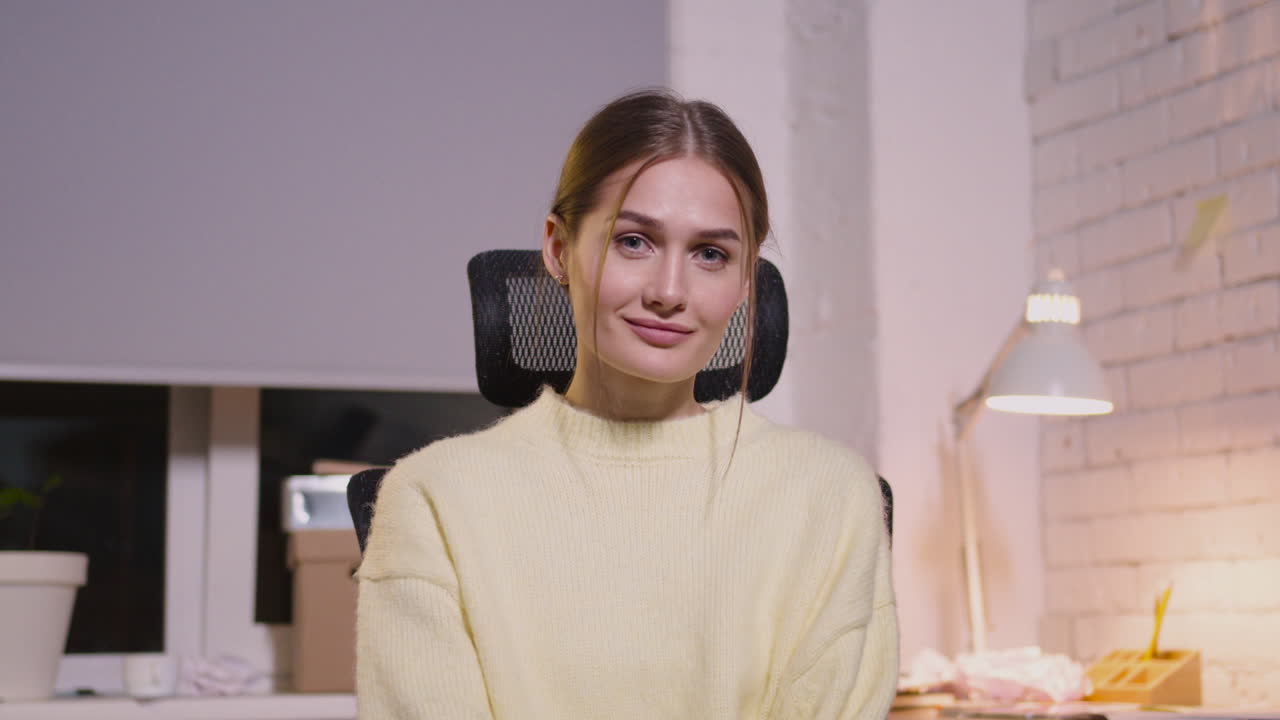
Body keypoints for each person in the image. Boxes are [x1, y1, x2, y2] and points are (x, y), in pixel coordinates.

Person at [355, 89, 898, 719]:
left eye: (711, 254)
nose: (669, 291)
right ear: (559, 250)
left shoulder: (831, 496)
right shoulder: (433, 499)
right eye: (634, 241)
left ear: (744, 280)